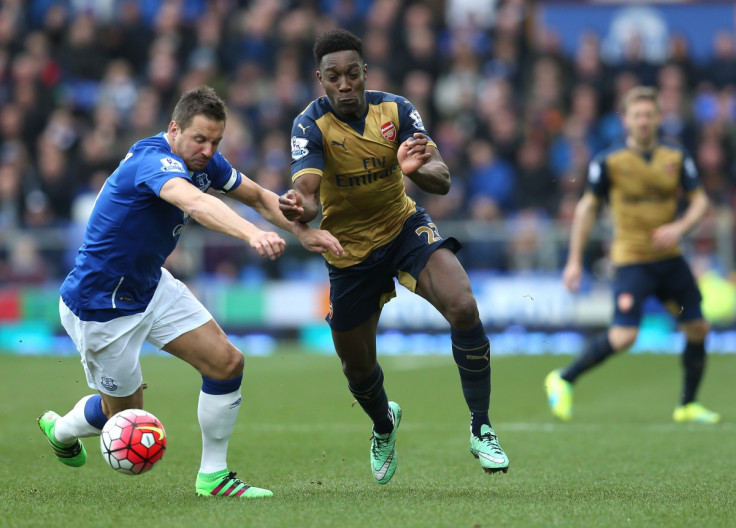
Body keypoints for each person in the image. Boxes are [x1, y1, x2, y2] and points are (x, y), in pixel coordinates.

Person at [37, 86, 344, 498]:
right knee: (126, 420)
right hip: (101, 306)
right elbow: (194, 203)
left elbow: (255, 195)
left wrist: (303, 232)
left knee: (226, 362)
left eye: (215, 141)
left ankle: (213, 477)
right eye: (200, 139)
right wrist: (252, 234)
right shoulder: (152, 161)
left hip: (151, 286)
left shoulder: (206, 162)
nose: (208, 149)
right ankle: (60, 429)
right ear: (174, 129)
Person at [278, 28, 509, 484]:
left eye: (351, 74)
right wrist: (296, 207)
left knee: (463, 305)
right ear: (320, 79)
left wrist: (418, 169)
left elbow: (443, 178)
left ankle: (481, 427)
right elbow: (306, 195)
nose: (344, 84)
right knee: (356, 365)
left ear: (364, 72)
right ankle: (384, 424)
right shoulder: (309, 125)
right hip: (347, 251)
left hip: (402, 227)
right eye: (333, 77)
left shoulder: (397, 110)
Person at [545, 86, 720, 424]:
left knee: (697, 327)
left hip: (669, 258)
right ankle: (563, 378)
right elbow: (587, 208)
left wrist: (679, 227)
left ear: (659, 118)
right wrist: (574, 261)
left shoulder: (676, 156)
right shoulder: (609, 162)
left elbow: (701, 202)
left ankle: (687, 404)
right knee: (625, 335)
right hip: (632, 260)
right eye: (636, 115)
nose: (643, 121)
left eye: (649, 114)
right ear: (625, 119)